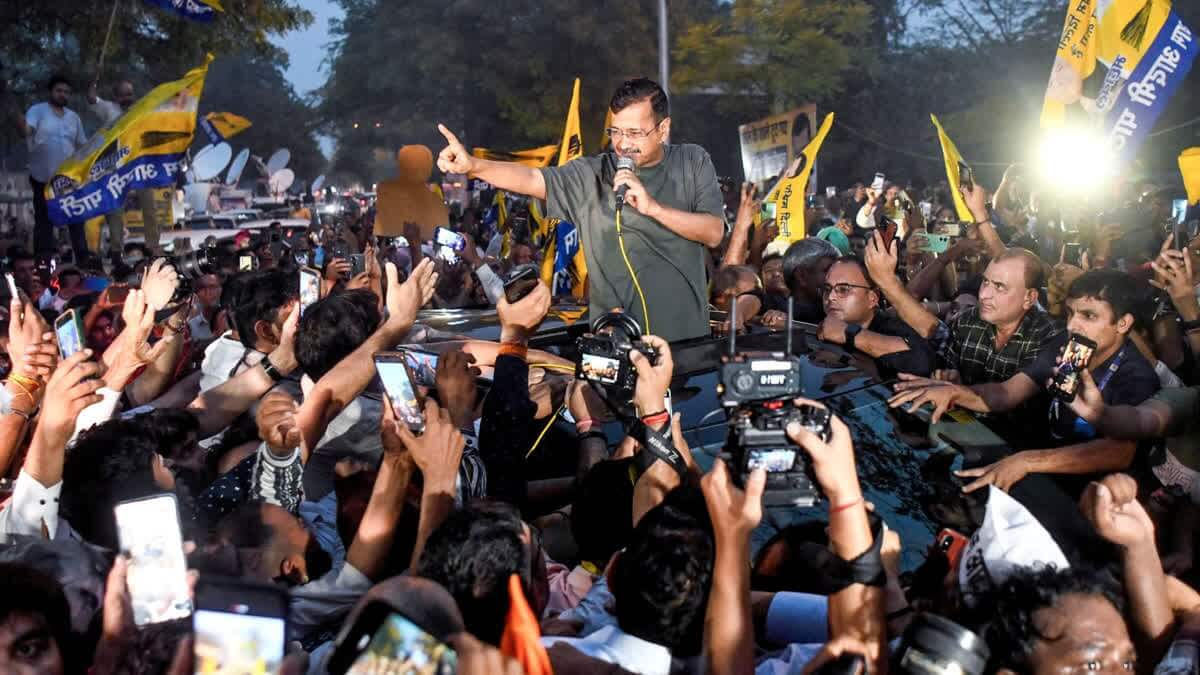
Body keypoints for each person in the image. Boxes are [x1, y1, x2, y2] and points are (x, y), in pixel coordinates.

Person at [436, 77, 725, 341]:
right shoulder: (591, 174)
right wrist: (474, 166)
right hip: (616, 344)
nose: (623, 144)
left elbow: (713, 233)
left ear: (663, 129)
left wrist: (654, 208)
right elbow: (532, 178)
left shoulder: (692, 162)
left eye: (635, 133)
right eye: (616, 132)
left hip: (686, 343)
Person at [817, 257, 935, 378]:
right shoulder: (818, 323)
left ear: (872, 298)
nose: (831, 297)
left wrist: (848, 334)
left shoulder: (894, 329)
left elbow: (923, 362)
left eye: (843, 289)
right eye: (827, 289)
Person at [86, 79, 160, 258]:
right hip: (116, 169)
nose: (128, 98)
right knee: (115, 211)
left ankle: (153, 246)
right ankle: (116, 250)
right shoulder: (109, 109)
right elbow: (91, 99)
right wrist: (92, 85)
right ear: (115, 97)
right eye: (124, 94)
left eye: (130, 93)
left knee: (149, 207)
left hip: (139, 167)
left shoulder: (140, 110)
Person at [15, 76, 88, 257]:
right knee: (44, 219)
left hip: (68, 179)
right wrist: (15, 114)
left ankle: (82, 257)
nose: (63, 95)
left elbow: (83, 145)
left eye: (66, 92)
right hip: (42, 177)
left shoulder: (74, 118)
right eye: (59, 91)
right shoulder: (37, 111)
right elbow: (26, 131)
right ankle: (43, 258)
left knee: (76, 218)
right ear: (51, 92)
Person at [780, 237, 839, 323]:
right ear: (801, 276)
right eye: (827, 270)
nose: (835, 277)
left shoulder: (837, 311)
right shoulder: (775, 309)